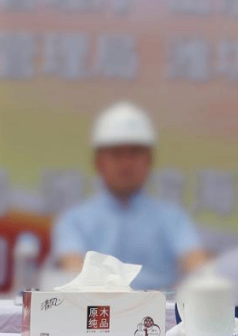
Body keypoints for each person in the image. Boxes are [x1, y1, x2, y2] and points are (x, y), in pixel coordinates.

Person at [51, 101, 209, 290]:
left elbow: (200, 270)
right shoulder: (74, 221)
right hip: (98, 306)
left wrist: (201, 281)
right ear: (98, 162)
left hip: (160, 307)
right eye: (116, 154)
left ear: (149, 159)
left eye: (134, 153)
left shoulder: (174, 219)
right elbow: (73, 272)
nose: (126, 163)